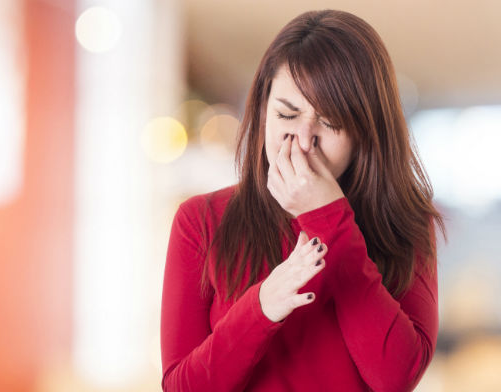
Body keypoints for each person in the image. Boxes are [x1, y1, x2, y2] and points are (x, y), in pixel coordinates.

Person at [161, 9, 446, 392]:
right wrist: (261, 306)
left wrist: (329, 219)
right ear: (263, 111)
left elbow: (396, 378)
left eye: (329, 123)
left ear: (366, 131)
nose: (303, 140)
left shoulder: (406, 224)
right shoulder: (200, 221)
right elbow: (182, 387)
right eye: (287, 114)